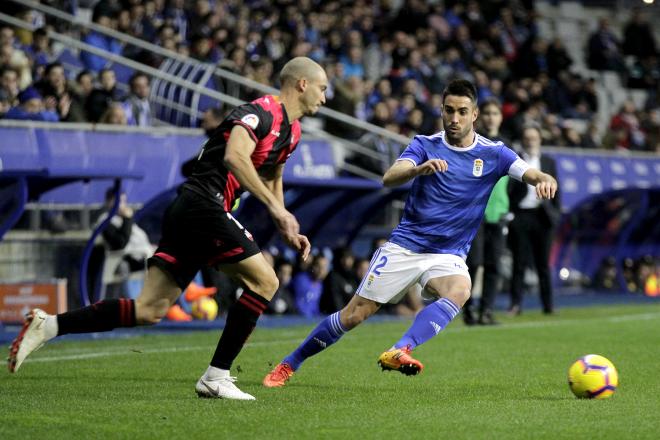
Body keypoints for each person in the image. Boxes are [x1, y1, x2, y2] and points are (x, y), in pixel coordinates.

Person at [9, 57, 329, 401]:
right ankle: (216, 376)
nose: (325, 98)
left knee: (149, 310)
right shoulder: (260, 112)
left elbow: (273, 174)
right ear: (302, 84)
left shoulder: (292, 132)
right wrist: (274, 210)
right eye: (323, 89)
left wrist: (284, 219)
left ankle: (50, 325)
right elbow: (235, 156)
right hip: (203, 202)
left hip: (193, 211)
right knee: (266, 281)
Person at [262, 79, 557, 388]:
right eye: (449, 111)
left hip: (448, 254)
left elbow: (530, 171)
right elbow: (389, 177)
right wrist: (418, 170)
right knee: (354, 315)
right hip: (405, 247)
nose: (454, 119)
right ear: (442, 111)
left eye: (462, 112)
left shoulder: (494, 153)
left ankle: (400, 349)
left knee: (460, 289)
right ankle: (288, 364)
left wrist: (544, 178)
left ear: (475, 115)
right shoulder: (424, 144)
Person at [463, 98, 510, 325]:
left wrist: (509, 207)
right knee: (473, 263)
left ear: (501, 117)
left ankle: (487, 311)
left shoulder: (508, 146)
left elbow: (518, 183)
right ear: (481, 116)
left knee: (493, 265)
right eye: (488, 113)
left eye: (495, 113)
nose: (491, 117)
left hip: (499, 214)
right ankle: (468, 309)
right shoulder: (472, 143)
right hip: (475, 214)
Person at [507, 124, 561, 316]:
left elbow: (557, 191)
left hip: (543, 216)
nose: (531, 141)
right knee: (518, 263)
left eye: (534, 138)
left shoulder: (548, 162)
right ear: (523, 140)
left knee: (543, 264)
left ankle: (548, 305)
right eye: (527, 138)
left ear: (539, 140)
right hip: (521, 215)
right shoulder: (515, 161)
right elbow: (509, 190)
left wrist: (555, 215)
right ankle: (515, 305)